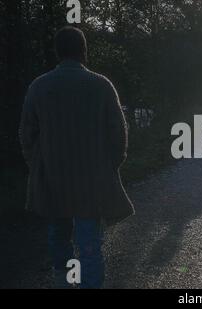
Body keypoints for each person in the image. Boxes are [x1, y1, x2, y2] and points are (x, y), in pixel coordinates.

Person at [19, 26, 135, 289]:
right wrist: (110, 166)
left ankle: (63, 283)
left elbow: (27, 133)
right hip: (91, 178)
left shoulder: (39, 86)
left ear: (57, 52)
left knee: (58, 235)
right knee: (89, 242)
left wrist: (38, 166)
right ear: (84, 51)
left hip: (53, 175)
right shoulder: (101, 85)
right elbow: (119, 133)